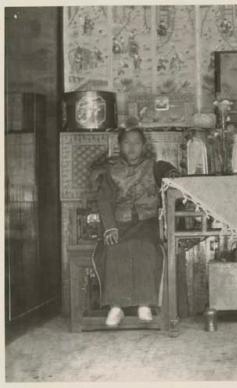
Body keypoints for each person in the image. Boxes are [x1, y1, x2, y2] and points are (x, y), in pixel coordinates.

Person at [91, 127, 179, 327]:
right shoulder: (111, 171)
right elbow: (104, 201)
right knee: (114, 249)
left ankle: (144, 304)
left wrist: (171, 173)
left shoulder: (154, 167)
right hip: (119, 224)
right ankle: (116, 307)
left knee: (145, 248)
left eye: (136, 143)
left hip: (146, 222)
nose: (132, 147)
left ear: (144, 146)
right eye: (127, 143)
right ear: (120, 146)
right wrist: (110, 227)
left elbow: (168, 171)